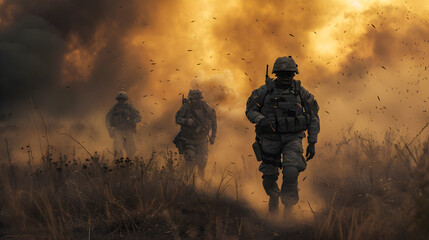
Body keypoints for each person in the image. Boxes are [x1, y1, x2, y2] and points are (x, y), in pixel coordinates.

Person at [245, 56, 320, 215]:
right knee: (269, 178)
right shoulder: (264, 91)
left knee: (291, 172)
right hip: (270, 139)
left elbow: (313, 116)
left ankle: (288, 212)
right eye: (282, 74)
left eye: (289, 74)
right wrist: (262, 120)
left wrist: (312, 142)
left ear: (294, 75)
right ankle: (273, 199)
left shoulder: (300, 91)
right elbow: (250, 110)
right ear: (276, 74)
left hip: (292, 138)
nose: (286, 78)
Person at [174, 89, 217, 178]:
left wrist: (213, 136)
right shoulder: (185, 107)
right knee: (190, 159)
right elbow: (177, 119)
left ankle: (201, 181)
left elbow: (213, 120)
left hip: (202, 139)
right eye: (194, 99)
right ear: (190, 99)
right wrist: (187, 121)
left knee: (202, 162)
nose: (196, 101)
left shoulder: (205, 107)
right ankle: (188, 180)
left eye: (198, 99)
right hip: (188, 139)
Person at [106, 91, 141, 158]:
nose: (121, 101)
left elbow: (138, 117)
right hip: (118, 130)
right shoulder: (114, 109)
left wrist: (133, 121)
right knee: (117, 147)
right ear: (117, 100)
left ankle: (130, 161)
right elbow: (107, 118)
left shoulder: (129, 108)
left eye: (122, 99)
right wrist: (109, 129)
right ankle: (119, 163)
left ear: (125, 100)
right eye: (119, 99)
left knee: (130, 147)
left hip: (128, 130)